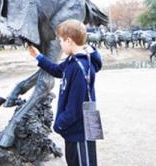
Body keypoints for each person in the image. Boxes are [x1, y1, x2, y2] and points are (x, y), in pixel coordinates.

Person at [27, 19, 102, 166]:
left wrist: (59, 125)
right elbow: (57, 70)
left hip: (80, 132)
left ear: (69, 41)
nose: (60, 44)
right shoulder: (72, 61)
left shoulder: (81, 67)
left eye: (60, 40)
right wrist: (38, 56)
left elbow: (76, 108)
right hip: (73, 130)